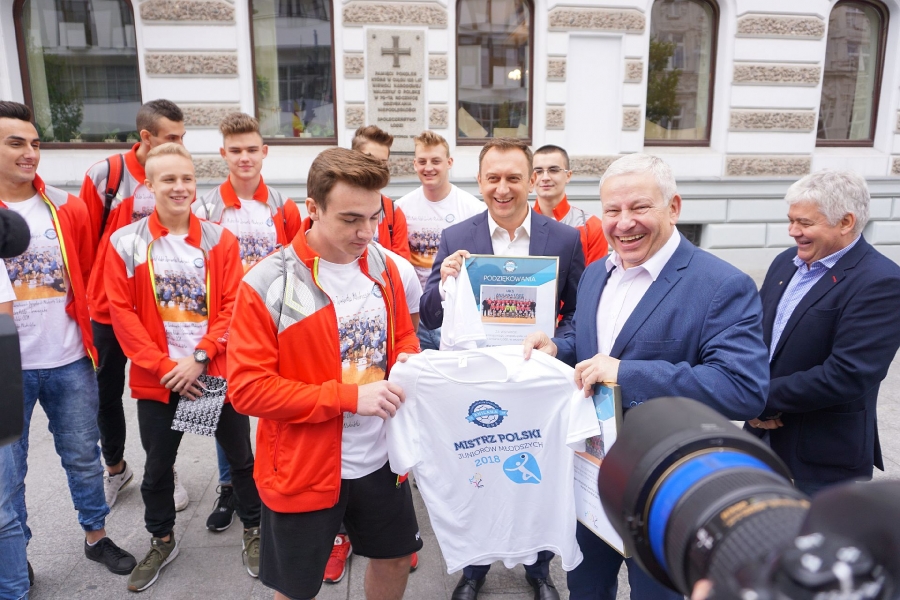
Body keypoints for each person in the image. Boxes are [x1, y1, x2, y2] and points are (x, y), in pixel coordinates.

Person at [523, 153, 770, 600]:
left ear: (673, 207)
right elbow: (589, 338)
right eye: (612, 210)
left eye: (639, 207)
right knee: (585, 588)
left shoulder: (721, 285)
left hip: (668, 490)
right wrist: (558, 346)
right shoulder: (597, 272)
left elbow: (742, 388)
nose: (624, 223)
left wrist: (626, 373)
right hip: (592, 475)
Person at [227, 148, 422, 600]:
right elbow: (248, 390)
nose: (367, 232)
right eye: (351, 219)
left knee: (395, 558)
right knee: (296, 586)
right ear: (312, 208)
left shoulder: (383, 265)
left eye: (374, 217)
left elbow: (405, 336)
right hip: (303, 466)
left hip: (381, 457)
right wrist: (349, 398)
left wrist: (409, 361)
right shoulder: (266, 283)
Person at [420, 137, 584, 600]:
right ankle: (474, 568)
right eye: (493, 178)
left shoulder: (565, 239)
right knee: (478, 470)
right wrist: (445, 281)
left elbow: (579, 313)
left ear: (531, 181)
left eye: (514, 178)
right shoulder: (457, 237)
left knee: (536, 472)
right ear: (479, 180)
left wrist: (558, 344)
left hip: (534, 382)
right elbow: (428, 314)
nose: (503, 188)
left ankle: (539, 568)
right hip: (478, 381)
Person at [104, 143, 262, 591]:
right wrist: (163, 366)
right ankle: (162, 539)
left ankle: (254, 529)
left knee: (241, 460)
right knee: (158, 468)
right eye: (168, 179)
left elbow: (232, 306)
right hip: (161, 379)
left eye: (187, 178)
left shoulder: (219, 239)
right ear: (148, 184)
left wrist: (200, 357)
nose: (179, 187)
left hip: (209, 373)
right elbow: (122, 314)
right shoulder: (126, 242)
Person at [0, 101, 137, 589]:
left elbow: (88, 271)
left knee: (82, 455)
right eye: (16, 143)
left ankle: (96, 536)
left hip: (68, 359)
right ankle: (15, 556)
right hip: (6, 371)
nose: (30, 152)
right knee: (9, 473)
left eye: (35, 143)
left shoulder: (66, 206)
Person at [746, 170, 900, 496]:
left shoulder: (881, 281)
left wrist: (761, 399)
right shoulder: (785, 262)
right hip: (758, 438)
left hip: (819, 458)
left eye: (804, 223)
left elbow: (848, 374)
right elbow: (756, 336)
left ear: (845, 222)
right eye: (791, 220)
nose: (792, 231)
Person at [79, 99, 190, 510]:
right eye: (172, 137)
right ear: (146, 137)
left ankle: (165, 470)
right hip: (109, 310)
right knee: (106, 394)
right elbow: (84, 245)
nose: (180, 144)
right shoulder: (106, 175)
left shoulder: (177, 175)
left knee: (164, 393)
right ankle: (115, 468)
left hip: (161, 312)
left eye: (183, 137)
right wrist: (89, 303)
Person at [193, 112, 301, 532]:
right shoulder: (205, 207)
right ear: (223, 153)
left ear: (264, 152)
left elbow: (296, 261)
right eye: (235, 150)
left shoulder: (283, 206)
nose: (244, 158)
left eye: (252, 150)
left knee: (276, 401)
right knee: (221, 408)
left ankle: (275, 477)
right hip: (222, 323)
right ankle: (229, 488)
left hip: (273, 321)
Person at [397, 130, 485, 351]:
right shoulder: (401, 207)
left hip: (455, 312)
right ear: (414, 164)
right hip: (414, 311)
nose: (429, 168)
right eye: (422, 161)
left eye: (436, 161)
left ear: (449, 162)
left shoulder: (472, 208)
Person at [531, 145, 606, 265]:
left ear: (568, 175)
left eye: (553, 170)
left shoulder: (592, 226)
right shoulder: (518, 224)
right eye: (538, 171)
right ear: (531, 178)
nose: (545, 178)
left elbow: (594, 275)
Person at [350, 125, 411, 259]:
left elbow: (401, 264)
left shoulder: (393, 212)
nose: (376, 168)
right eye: (369, 159)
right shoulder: (333, 204)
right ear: (353, 158)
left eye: (382, 162)